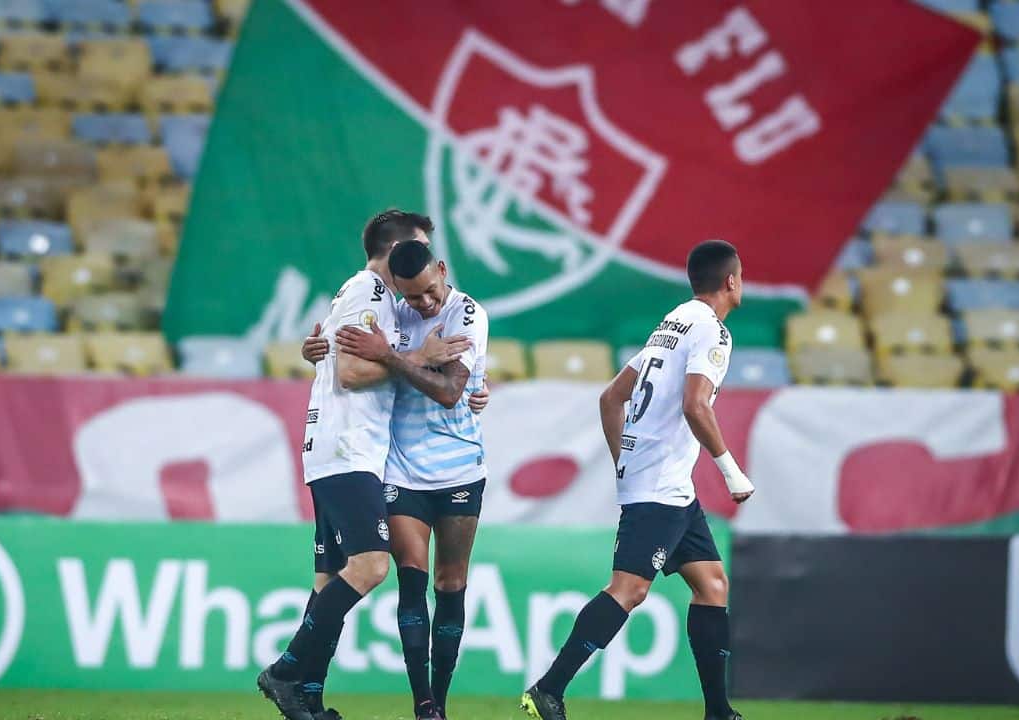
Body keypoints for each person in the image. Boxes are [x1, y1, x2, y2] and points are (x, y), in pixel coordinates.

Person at [520, 239, 755, 720]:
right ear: (731, 281)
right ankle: (548, 689)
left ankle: (718, 711)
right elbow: (696, 405)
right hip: (661, 485)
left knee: (711, 584)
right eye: (741, 276)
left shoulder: (672, 323)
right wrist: (731, 471)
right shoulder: (712, 331)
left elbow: (611, 398)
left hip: (667, 483)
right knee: (629, 589)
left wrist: (623, 460)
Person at [258, 210, 458, 720]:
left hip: (338, 448)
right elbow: (350, 371)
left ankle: (307, 695)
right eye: (417, 248)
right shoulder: (369, 291)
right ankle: (285, 670)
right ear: (397, 252)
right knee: (371, 566)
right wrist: (422, 355)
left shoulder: (373, 298)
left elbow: (338, 358)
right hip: (348, 448)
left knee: (330, 579)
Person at [333, 240, 489, 720]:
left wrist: (395, 357)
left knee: (451, 582)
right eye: (412, 296)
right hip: (401, 470)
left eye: (429, 291)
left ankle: (440, 699)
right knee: (411, 581)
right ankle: (423, 704)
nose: (423, 303)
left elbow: (448, 391)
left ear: (442, 270)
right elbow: (352, 360)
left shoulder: (466, 315)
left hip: (460, 466)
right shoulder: (392, 314)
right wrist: (316, 347)